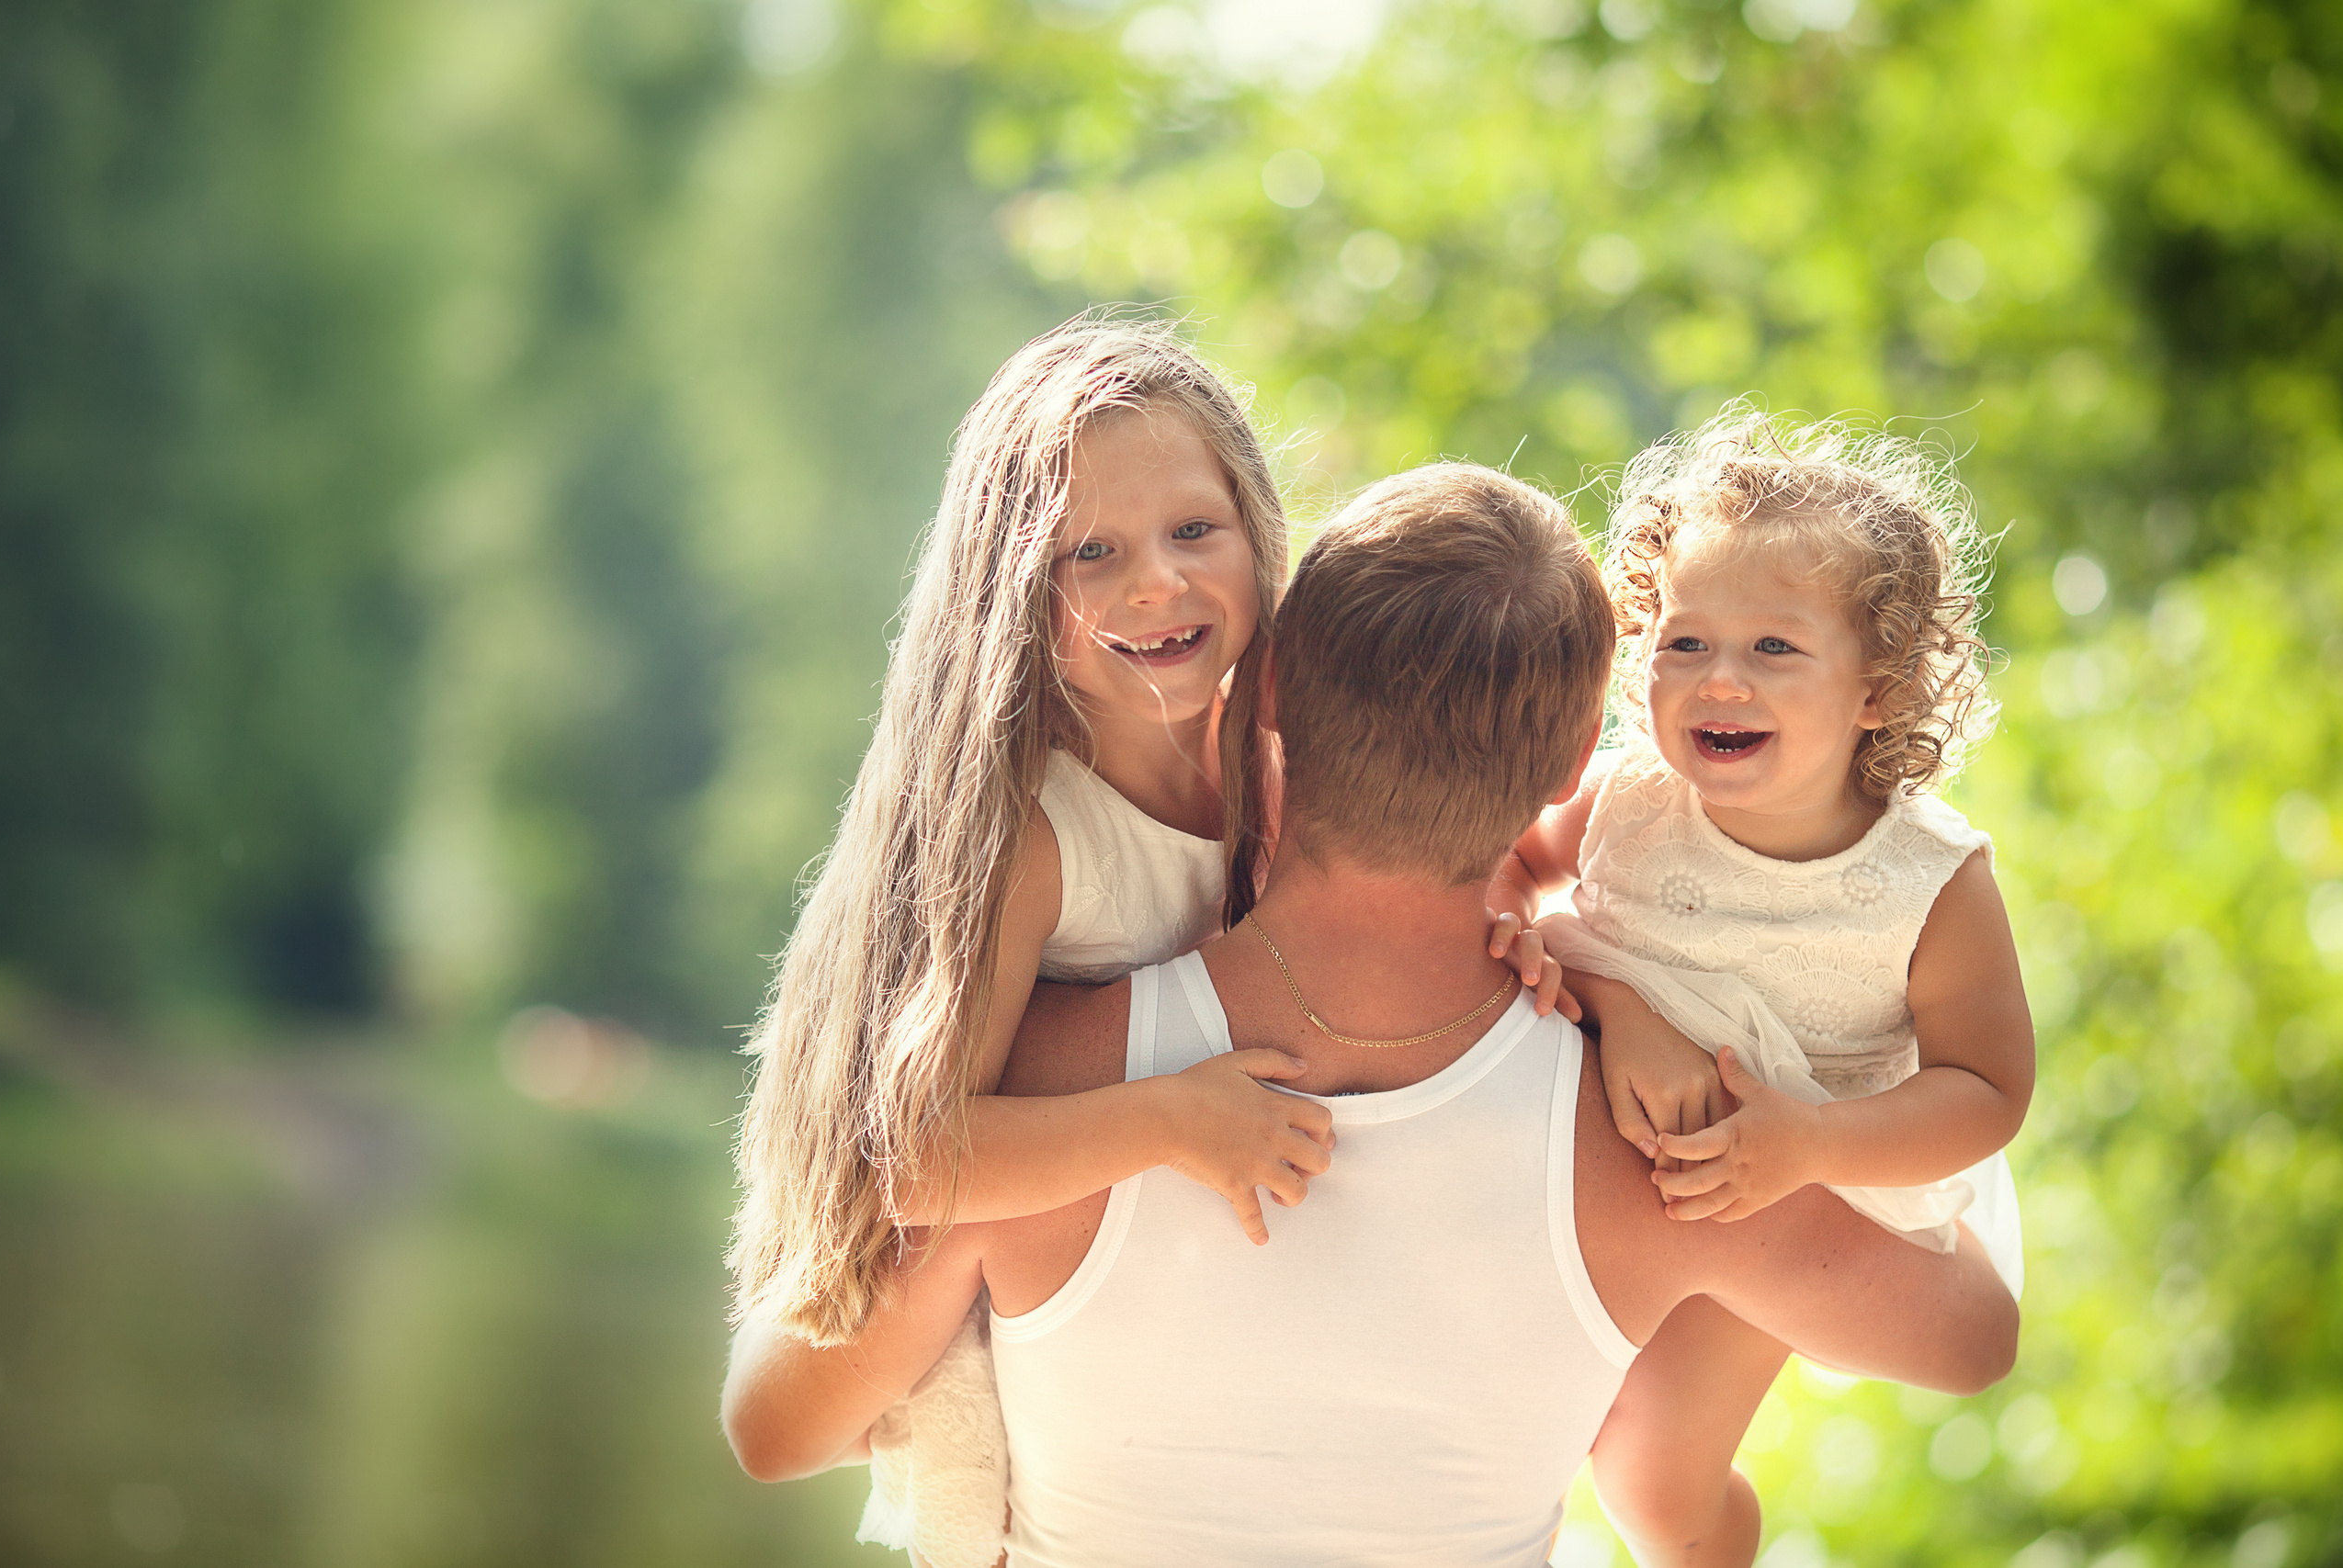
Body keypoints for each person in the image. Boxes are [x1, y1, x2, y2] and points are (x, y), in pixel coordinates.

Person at [722, 461, 2019, 1567]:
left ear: (1266, 683)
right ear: (1582, 763)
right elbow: (1971, 1337)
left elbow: (777, 1426)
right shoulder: (1658, 1145)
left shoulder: (1043, 1084)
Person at [725, 317, 1572, 1567]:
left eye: (1193, 532)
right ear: (1013, 586)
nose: (1155, 585)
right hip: (961, 1247)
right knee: (867, 1460)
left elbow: (1500, 867)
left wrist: (1538, 939)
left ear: (1259, 530)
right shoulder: (1035, 832)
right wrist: (1170, 1119)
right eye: (1091, 552)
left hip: (1133, 1305)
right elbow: (902, 1158)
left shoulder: (1282, 757)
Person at [1487, 410, 2032, 1568]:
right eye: (1684, 643)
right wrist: (1529, 938)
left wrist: (1812, 1146)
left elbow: (1984, 1090)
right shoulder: (1626, 794)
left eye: (1774, 650)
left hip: (1781, 1168)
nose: (1717, 681)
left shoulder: (1923, 880)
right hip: (1613, 1138)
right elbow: (1506, 873)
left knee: (1647, 1478)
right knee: (1555, 1431)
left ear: (1877, 688)